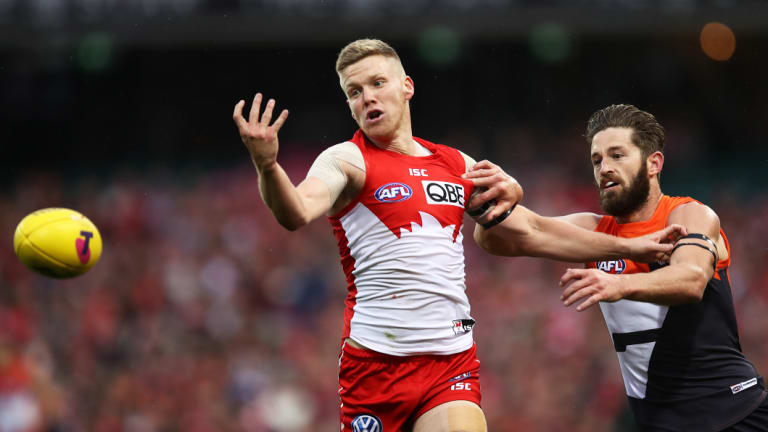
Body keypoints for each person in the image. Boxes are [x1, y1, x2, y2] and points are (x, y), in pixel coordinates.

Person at [232, 41, 681, 432]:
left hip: (450, 361)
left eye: (376, 83)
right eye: (354, 91)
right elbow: (296, 212)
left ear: (406, 86)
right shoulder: (347, 160)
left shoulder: (456, 164)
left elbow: (532, 229)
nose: (367, 97)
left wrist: (629, 246)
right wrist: (268, 165)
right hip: (374, 367)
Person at [475, 104, 767, 431]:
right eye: (597, 160)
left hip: (735, 415)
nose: (605, 168)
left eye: (617, 155)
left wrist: (620, 284)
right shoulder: (594, 231)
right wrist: (506, 195)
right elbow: (495, 239)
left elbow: (692, 279)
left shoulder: (689, 214)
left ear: (653, 163)